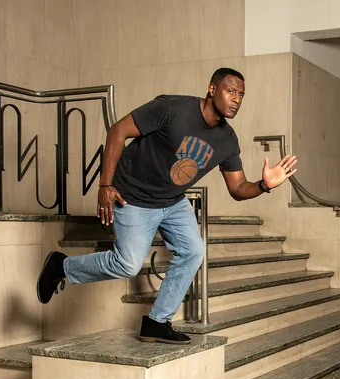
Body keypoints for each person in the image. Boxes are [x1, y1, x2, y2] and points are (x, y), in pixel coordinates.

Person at [36, 68, 297, 344]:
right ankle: (62, 266)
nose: (236, 99)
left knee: (193, 250)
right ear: (212, 89)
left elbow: (238, 188)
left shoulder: (227, 140)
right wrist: (105, 185)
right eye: (230, 91)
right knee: (127, 265)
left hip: (172, 201)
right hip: (133, 196)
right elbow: (118, 131)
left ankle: (157, 322)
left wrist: (264, 185)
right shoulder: (172, 108)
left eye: (241, 95)